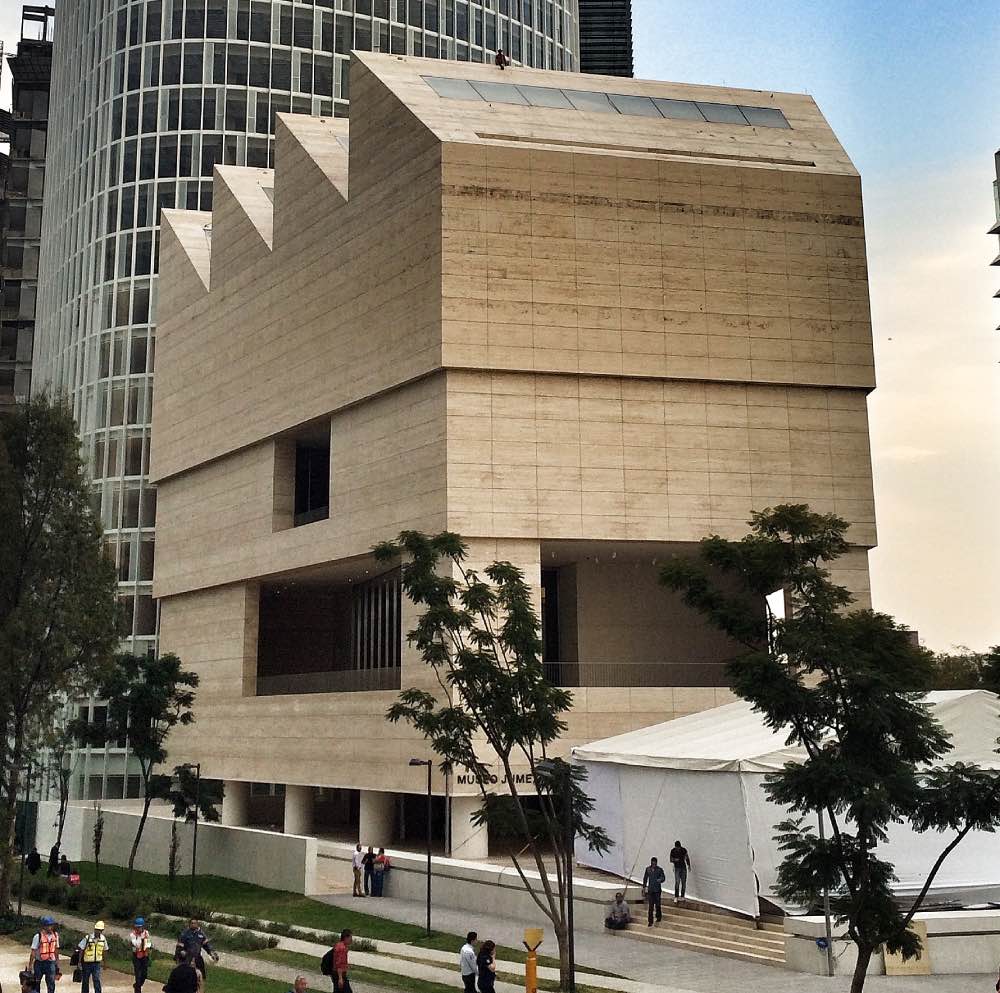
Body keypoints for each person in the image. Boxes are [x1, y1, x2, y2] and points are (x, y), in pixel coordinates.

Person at [26, 915, 60, 993]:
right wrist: (30, 966)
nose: (50, 927)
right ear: (44, 926)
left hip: (51, 963)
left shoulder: (55, 936)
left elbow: (56, 949)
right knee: (36, 983)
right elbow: (33, 952)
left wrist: (57, 963)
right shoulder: (38, 936)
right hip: (39, 963)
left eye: (51, 925)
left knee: (51, 984)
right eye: (48, 925)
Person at [77, 921, 109, 993]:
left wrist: (105, 963)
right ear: (95, 929)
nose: (98, 931)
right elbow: (81, 949)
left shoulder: (103, 939)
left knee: (96, 979)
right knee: (85, 980)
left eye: (100, 930)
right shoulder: (88, 938)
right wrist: (79, 962)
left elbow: (105, 950)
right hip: (87, 963)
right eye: (97, 930)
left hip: (97, 963)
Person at [129, 916, 153, 993]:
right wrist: (142, 939)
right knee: (138, 976)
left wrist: (147, 946)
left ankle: (137, 985)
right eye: (137, 927)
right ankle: (138, 989)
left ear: (142, 926)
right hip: (136, 956)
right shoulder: (133, 934)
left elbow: (148, 943)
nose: (138, 929)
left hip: (144, 955)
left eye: (139, 927)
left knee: (144, 974)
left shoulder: (146, 933)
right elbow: (136, 944)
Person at [641, 857, 666, 927]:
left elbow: (663, 877)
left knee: (658, 904)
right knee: (650, 906)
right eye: (653, 863)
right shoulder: (648, 869)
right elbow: (645, 878)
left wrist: (660, 880)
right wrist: (644, 887)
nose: (654, 864)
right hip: (651, 890)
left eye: (655, 863)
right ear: (651, 863)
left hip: (657, 890)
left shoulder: (659, 870)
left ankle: (658, 916)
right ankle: (650, 921)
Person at [332, 929, 352, 993]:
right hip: (340, 974)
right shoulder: (342, 948)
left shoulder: (338, 945)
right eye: (350, 937)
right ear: (346, 938)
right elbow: (339, 964)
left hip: (335, 973)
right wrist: (340, 978)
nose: (351, 940)